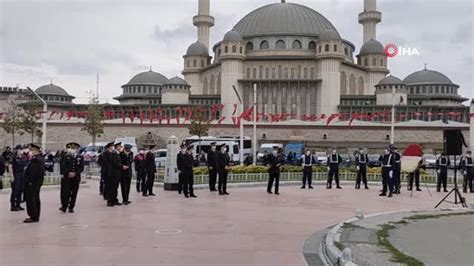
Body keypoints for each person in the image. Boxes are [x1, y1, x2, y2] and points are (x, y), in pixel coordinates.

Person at [59, 142, 84, 213]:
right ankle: (64, 206)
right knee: (66, 192)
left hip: (76, 177)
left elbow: (81, 167)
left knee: (74, 192)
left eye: (74, 148)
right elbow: (63, 165)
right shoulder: (65, 156)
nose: (73, 149)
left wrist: (75, 173)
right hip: (67, 177)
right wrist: (68, 172)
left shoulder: (80, 157)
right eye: (71, 148)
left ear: (77, 149)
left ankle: (71, 207)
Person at [23, 143, 45, 223]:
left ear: (36, 150)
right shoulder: (35, 159)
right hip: (33, 183)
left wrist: (30, 181)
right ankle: (34, 215)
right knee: (33, 199)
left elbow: (36, 172)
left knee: (32, 199)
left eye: (31, 150)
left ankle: (34, 216)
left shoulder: (37, 159)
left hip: (33, 183)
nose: (30, 151)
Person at [8, 145, 28, 211]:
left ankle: (18, 204)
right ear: (17, 150)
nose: (21, 151)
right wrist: (12, 176)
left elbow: (25, 166)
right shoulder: (13, 157)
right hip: (15, 174)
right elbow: (10, 166)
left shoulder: (23, 157)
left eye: (22, 149)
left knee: (21, 189)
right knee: (15, 190)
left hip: (22, 174)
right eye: (20, 149)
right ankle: (13, 206)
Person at [107, 141, 123, 207]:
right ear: (116, 147)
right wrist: (122, 166)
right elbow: (115, 163)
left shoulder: (117, 154)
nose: (120, 148)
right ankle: (110, 201)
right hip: (113, 174)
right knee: (112, 188)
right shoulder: (114, 154)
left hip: (117, 174)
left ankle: (114, 200)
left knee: (115, 188)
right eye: (119, 147)